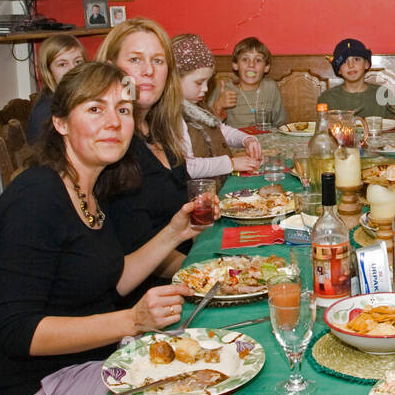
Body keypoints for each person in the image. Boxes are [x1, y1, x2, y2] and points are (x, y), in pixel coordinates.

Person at [0, 62, 209, 395]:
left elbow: (114, 278)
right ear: (60, 123)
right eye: (94, 109)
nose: (114, 122)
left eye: (122, 109)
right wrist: (132, 321)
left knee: (216, 350)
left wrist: (175, 232)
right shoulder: (35, 199)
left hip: (89, 363)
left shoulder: (90, 187)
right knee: (200, 393)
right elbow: (19, 333)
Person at [98, 18, 193, 275]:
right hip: (148, 295)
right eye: (135, 60)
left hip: (182, 271)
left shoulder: (161, 133)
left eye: (158, 61)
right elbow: (134, 247)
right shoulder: (111, 146)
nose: (149, 71)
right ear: (110, 69)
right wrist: (204, 273)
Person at [171, 33, 262, 181]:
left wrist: (245, 139)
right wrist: (231, 163)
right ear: (174, 80)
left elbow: (220, 130)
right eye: (199, 83)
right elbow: (188, 167)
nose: (206, 89)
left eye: (207, 82)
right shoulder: (173, 116)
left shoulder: (197, 105)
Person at [320, 38, 395, 122]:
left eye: (356, 59)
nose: (351, 65)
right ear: (339, 70)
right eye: (344, 61)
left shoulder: (383, 93)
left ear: (366, 64)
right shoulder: (327, 98)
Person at [213, 36, 287, 130]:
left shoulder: (270, 87)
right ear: (235, 65)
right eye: (245, 59)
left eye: (258, 60)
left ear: (266, 67)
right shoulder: (224, 90)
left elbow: (281, 123)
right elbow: (208, 129)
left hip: (265, 142)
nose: (251, 65)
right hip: (236, 143)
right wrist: (218, 106)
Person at [27, 34, 86, 142]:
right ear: (48, 71)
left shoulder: (80, 100)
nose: (72, 69)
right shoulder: (45, 112)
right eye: (62, 64)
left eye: (78, 62)